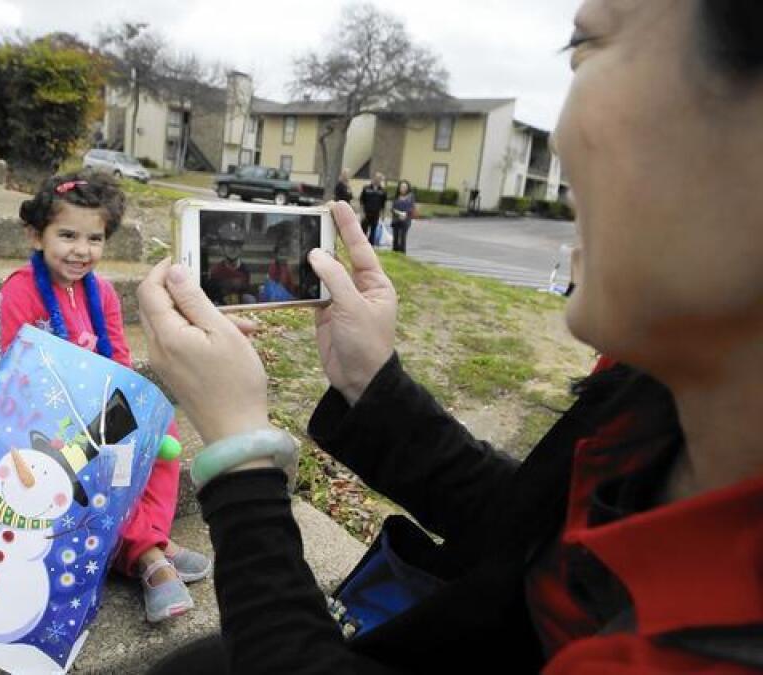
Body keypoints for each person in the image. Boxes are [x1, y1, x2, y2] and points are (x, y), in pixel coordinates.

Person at [138, 0, 763, 671]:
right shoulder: (655, 390)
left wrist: (239, 447)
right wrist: (371, 381)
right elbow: (532, 525)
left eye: (586, 48)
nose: (562, 137)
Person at [0, 171, 212, 623]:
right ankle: (149, 558)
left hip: (97, 405)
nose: (81, 250)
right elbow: (17, 371)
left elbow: (120, 359)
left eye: (94, 239)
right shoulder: (21, 289)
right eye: (67, 235)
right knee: (95, 451)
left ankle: (148, 537)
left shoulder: (103, 292)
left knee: (159, 427)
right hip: (44, 415)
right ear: (37, 235)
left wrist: (129, 411)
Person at [207, 221, 257, 305]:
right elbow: (213, 295)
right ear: (222, 247)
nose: (233, 249)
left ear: (241, 248)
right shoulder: (216, 271)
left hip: (239, 305)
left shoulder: (245, 270)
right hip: (222, 306)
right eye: (229, 244)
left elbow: (245, 291)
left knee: (250, 299)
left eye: (237, 245)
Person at [358, 173, 386, 242]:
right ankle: (362, 244)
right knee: (363, 231)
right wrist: (361, 213)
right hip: (366, 213)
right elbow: (361, 201)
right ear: (373, 178)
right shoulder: (366, 188)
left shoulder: (382, 191)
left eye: (379, 179)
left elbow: (383, 204)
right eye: (376, 178)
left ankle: (371, 246)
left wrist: (383, 215)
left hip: (376, 214)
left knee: (373, 231)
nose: (377, 180)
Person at [390, 179, 415, 254]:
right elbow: (392, 208)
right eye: (401, 187)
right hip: (396, 219)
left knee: (403, 238)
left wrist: (405, 214)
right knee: (395, 238)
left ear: (407, 188)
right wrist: (399, 213)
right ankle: (394, 252)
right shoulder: (396, 197)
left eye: (405, 187)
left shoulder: (411, 196)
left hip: (405, 220)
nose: (403, 188)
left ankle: (402, 254)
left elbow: (411, 208)